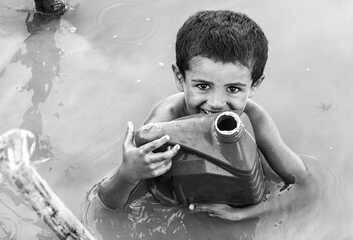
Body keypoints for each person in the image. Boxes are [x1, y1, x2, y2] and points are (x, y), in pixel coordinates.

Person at [98, 10, 310, 220]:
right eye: (203, 86)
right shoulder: (163, 123)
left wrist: (240, 215)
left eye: (233, 89)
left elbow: (305, 188)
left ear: (254, 85)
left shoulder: (255, 119)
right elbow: (110, 203)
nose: (216, 103)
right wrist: (128, 174)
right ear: (180, 78)